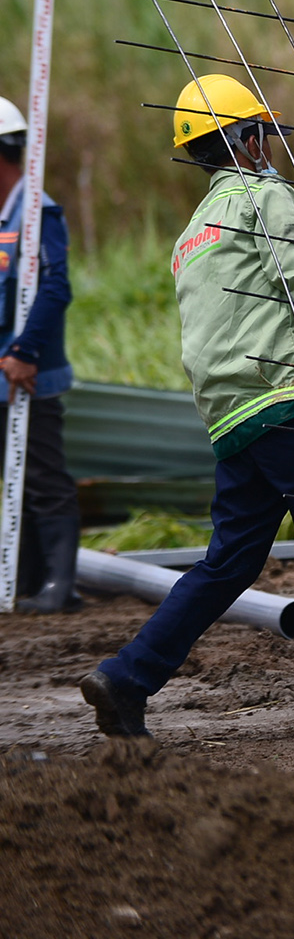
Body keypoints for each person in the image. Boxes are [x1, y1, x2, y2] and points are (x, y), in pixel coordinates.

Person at [80, 74, 294, 739]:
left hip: (235, 420)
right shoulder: (265, 195)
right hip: (289, 403)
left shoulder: (192, 235)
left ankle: (127, 677)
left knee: (229, 564)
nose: (268, 145)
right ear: (245, 140)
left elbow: (267, 302)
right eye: (262, 133)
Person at [0, 96, 80, 614]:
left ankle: (59, 584)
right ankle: (24, 578)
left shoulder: (37, 210)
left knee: (42, 474)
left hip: (30, 373)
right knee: (13, 478)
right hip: (4, 372)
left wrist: (26, 351)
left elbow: (55, 288)